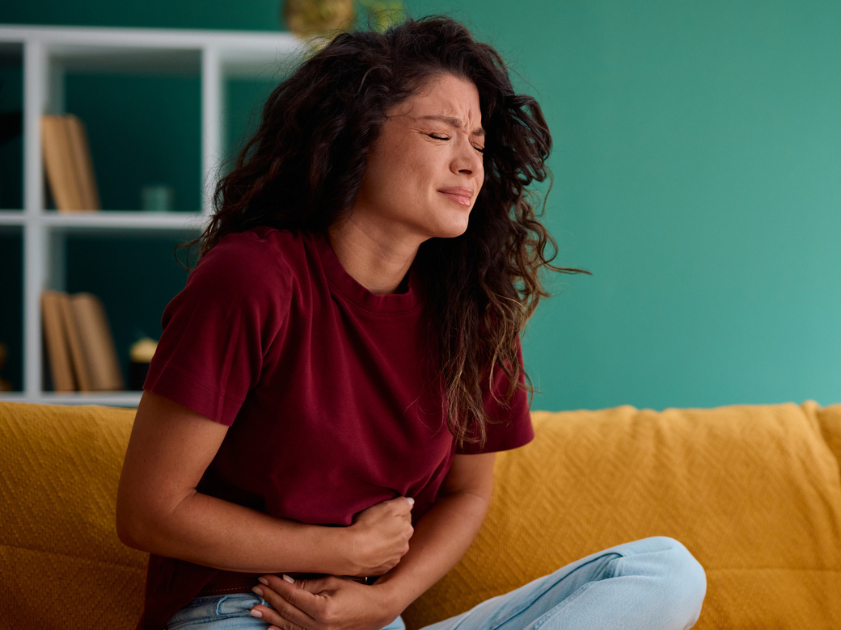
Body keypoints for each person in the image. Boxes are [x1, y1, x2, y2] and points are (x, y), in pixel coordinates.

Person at [115, 15, 707, 630]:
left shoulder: (472, 311)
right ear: (356, 136)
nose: (470, 165)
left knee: (666, 571)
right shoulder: (253, 278)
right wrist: (338, 550)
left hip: (373, 621)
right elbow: (150, 511)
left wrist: (384, 600)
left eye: (478, 143)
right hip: (247, 610)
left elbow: (467, 492)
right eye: (439, 134)